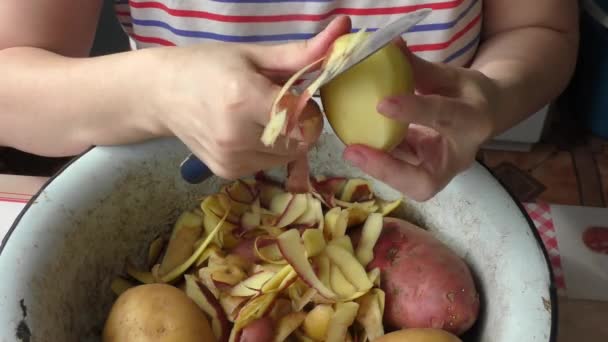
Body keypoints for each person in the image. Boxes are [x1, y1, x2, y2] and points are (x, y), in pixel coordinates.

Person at [0, 0, 579, 201]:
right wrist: (157, 90)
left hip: (437, 184)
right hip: (185, 189)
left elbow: (541, 29)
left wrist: (495, 94)